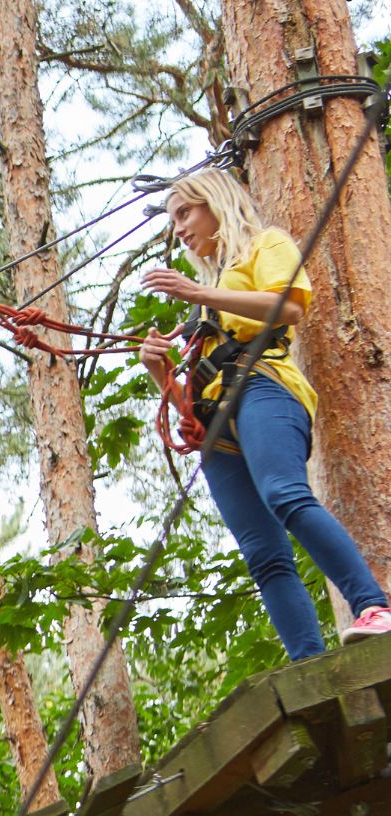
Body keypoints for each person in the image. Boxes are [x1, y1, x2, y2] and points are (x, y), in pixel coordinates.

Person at [139, 167, 391, 660]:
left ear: (216, 203)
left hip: (265, 388)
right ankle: (308, 663)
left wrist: (200, 294)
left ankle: (372, 605)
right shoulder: (204, 304)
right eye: (174, 220)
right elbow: (189, 406)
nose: (180, 229)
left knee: (284, 493)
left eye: (185, 213)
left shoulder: (264, 246)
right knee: (263, 555)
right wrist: (161, 374)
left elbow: (288, 308)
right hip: (215, 427)